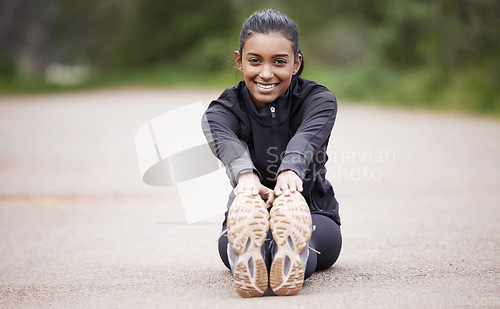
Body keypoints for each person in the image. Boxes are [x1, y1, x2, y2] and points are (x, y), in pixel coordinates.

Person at [202, 9, 342, 297]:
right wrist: (246, 175)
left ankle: (292, 256)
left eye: (279, 62)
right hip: (248, 209)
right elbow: (226, 142)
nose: (266, 73)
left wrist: (290, 172)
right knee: (237, 239)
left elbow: (306, 139)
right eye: (255, 61)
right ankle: (253, 253)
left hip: (314, 213)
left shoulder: (318, 100)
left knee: (312, 238)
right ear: (240, 61)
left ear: (296, 63)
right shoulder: (223, 110)